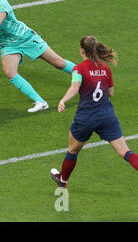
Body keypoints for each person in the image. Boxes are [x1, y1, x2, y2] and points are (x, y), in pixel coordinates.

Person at [50, 36, 138, 187]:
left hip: (86, 118)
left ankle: (63, 180)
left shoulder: (79, 69)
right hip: (107, 117)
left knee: (73, 150)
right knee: (125, 152)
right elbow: (110, 93)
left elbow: (75, 87)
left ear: (82, 50)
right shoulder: (106, 69)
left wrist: (63, 100)